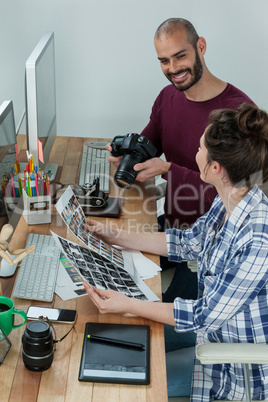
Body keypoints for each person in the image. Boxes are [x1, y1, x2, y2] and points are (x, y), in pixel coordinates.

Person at [84, 103, 268, 400]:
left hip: (231, 368)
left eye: (199, 148)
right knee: (113, 337)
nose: (195, 152)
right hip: (209, 331)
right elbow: (185, 242)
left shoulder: (258, 243)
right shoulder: (232, 198)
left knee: (126, 375)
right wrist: (114, 235)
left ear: (216, 168)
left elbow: (202, 315)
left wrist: (126, 303)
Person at [107, 18, 255, 303]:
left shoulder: (236, 113)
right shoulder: (167, 98)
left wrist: (168, 169)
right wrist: (126, 153)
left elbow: (235, 199)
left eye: (180, 56)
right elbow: (150, 145)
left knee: (157, 319)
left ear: (201, 47)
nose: (173, 69)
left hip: (212, 244)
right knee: (112, 265)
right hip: (175, 228)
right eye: (164, 60)